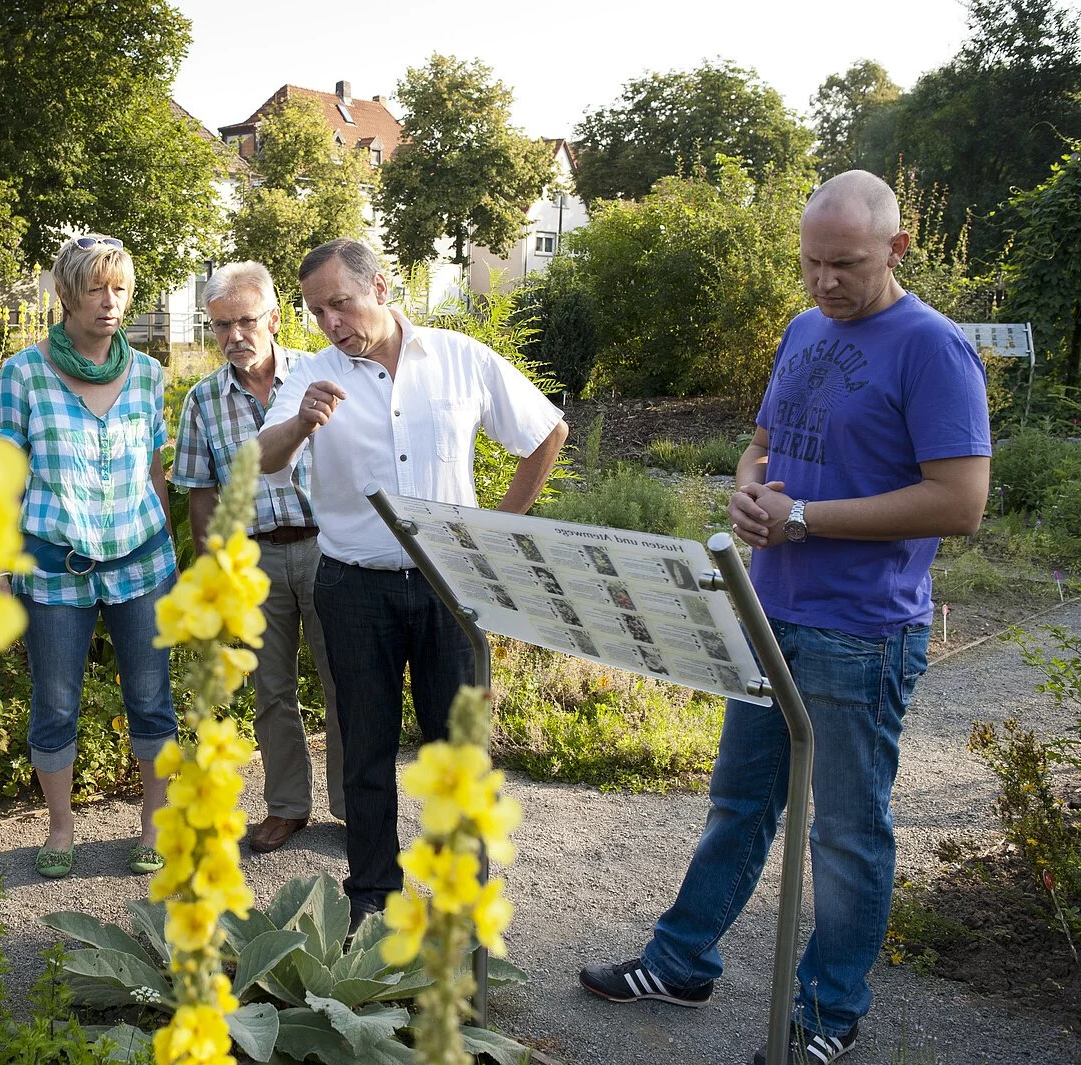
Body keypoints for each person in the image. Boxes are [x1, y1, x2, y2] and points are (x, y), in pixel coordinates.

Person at [578, 170, 991, 1065]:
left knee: (845, 834)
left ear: (897, 248)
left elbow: (960, 501)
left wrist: (805, 519)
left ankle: (828, 1015)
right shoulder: (805, 329)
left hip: (863, 630)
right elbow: (762, 441)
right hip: (770, 613)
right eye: (810, 263)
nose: (823, 282)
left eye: (843, 264)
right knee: (739, 805)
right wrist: (748, 488)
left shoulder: (933, 348)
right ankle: (682, 963)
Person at [257, 238, 569, 929]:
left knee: (457, 753)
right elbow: (260, 458)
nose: (331, 321)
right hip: (353, 585)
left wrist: (495, 531)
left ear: (383, 287)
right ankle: (371, 897)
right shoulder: (309, 374)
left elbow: (547, 431)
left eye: (341, 302)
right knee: (364, 748)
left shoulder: (458, 359)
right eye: (316, 310)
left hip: (447, 587)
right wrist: (303, 421)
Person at [0, 234, 178, 880]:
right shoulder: (23, 372)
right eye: (96, 288)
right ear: (68, 294)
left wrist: (171, 556)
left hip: (141, 564)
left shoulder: (150, 375)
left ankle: (154, 823)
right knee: (55, 701)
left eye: (120, 288)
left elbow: (156, 474)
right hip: (52, 565)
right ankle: (62, 826)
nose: (110, 302)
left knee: (152, 698)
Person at [171, 260, 342, 854]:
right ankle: (288, 807)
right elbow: (202, 493)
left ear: (273, 316)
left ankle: (352, 809)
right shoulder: (203, 400)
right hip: (255, 561)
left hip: (330, 549)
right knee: (272, 689)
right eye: (220, 325)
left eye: (245, 321)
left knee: (346, 681)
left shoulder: (323, 376)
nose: (234, 336)